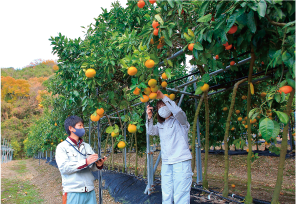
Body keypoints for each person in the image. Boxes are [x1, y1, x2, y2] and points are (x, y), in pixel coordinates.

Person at [146, 90, 193, 204]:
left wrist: (164, 97)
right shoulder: (161, 125)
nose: (162, 108)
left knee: (180, 194)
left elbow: (178, 112)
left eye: (164, 105)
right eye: (159, 107)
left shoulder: (180, 121)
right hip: (167, 162)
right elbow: (151, 131)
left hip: (181, 161)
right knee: (166, 193)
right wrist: (149, 117)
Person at [55, 115, 107, 204]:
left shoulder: (86, 146)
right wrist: (86, 162)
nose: (83, 128)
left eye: (83, 126)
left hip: (89, 191)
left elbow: (90, 167)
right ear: (71, 128)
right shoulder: (62, 147)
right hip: (73, 191)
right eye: (80, 126)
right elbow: (64, 168)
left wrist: (98, 165)